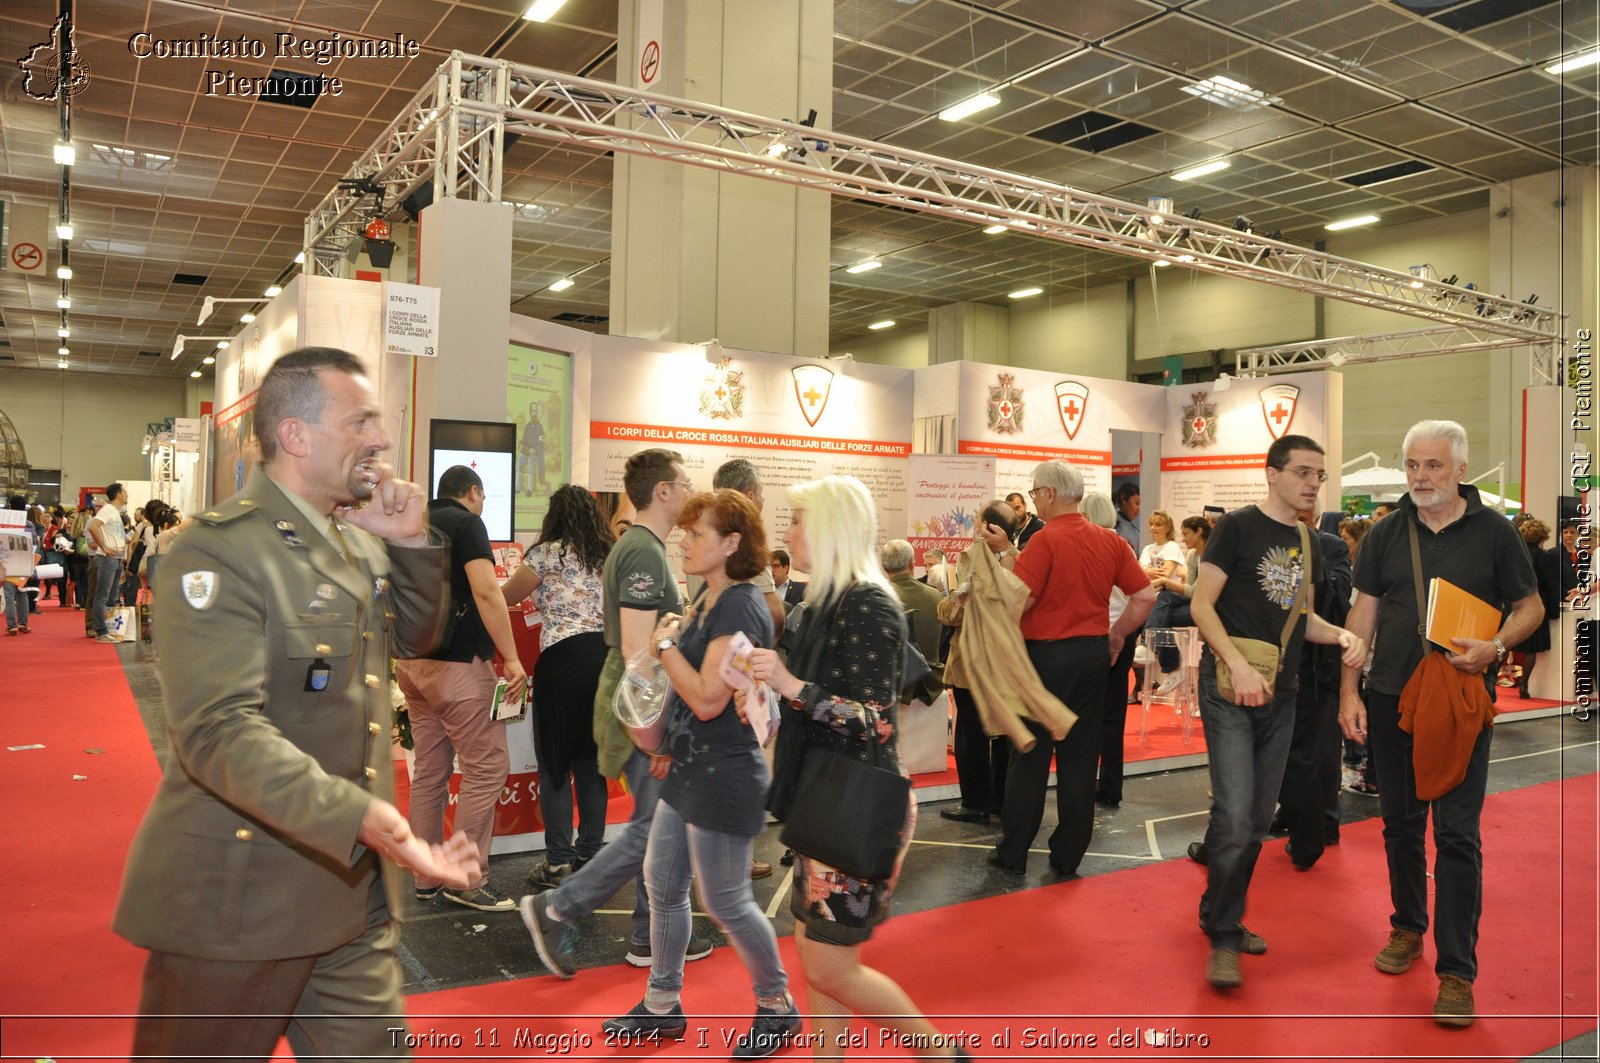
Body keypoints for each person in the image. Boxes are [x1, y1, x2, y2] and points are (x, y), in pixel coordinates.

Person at [112, 346, 478, 1058]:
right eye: (362, 420)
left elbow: (416, 637)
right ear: (296, 435)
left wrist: (409, 546)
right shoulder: (217, 552)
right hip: (239, 904)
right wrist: (366, 816)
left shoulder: (353, 539)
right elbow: (217, 730)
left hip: (350, 901)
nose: (380, 437)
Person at [746, 475, 969, 1062]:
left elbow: (875, 721)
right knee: (823, 954)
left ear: (829, 528)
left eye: (797, 520)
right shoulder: (825, 601)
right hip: (831, 799)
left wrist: (791, 685)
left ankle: (940, 1054)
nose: (787, 531)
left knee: (827, 962)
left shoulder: (866, 603)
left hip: (854, 803)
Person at [1338, 419, 1542, 1027]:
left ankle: (1456, 972)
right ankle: (1406, 927)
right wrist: (1349, 689)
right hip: (1392, 699)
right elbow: (1363, 614)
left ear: (1460, 468)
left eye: (1432, 466)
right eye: (1413, 466)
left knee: (1456, 838)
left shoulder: (1497, 535)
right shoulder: (1384, 532)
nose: (1421, 477)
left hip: (1460, 703)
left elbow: (1530, 606)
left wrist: (1496, 646)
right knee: (1399, 826)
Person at [602, 490, 798, 1057]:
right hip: (691, 769)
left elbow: (710, 698)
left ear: (732, 543)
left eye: (697, 533)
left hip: (725, 775)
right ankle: (662, 1005)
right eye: (685, 531)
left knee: (727, 901)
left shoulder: (739, 605)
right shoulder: (710, 598)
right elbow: (697, 700)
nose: (684, 541)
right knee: (663, 887)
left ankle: (776, 1004)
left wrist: (664, 645)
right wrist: (667, 741)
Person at [521, 449, 715, 976]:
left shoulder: (642, 546)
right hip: (641, 705)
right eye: (684, 480)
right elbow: (636, 652)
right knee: (652, 828)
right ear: (663, 491)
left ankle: (651, 935)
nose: (691, 486)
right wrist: (657, 737)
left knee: (661, 826)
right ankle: (558, 907)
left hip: (640, 702)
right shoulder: (642, 553)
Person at [1188, 434, 1364, 991]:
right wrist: (1236, 664)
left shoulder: (1312, 542)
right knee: (1239, 815)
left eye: (1320, 474)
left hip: (1281, 691)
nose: (1314, 482)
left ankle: (1217, 905)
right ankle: (1223, 933)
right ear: (1272, 473)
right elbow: (1200, 604)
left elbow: (1301, 618)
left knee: (1258, 818)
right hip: (1229, 688)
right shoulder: (1237, 528)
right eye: (1304, 472)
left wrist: (1339, 635)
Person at [976, 461, 1155, 876]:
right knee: (1079, 757)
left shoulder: (1044, 541)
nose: (1034, 499)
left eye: (1036, 492)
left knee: (1031, 756)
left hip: (1043, 658)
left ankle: (1014, 851)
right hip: (1093, 657)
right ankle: (1068, 854)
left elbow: (1021, 601)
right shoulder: (1111, 542)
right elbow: (1144, 597)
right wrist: (1116, 635)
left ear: (1051, 494)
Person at [395, 464, 528, 912]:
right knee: (488, 765)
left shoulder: (412, 523)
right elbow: (488, 593)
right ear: (472, 492)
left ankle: (427, 874)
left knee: (430, 770)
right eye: (485, 496)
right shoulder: (468, 524)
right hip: (457, 667)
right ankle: (467, 878)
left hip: (412, 664)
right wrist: (511, 659)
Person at [502, 485, 614, 890]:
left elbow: (503, 597)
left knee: (554, 765)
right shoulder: (608, 555)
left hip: (562, 662)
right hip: (603, 660)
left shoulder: (546, 553)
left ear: (555, 517)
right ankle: (590, 855)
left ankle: (557, 863)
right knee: (591, 764)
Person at [1273, 509, 1352, 870]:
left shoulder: (1330, 546)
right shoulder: (1272, 543)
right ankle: (1295, 816)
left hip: (1319, 665)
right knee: (1288, 750)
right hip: (1283, 661)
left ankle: (1325, 824)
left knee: (1318, 750)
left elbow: (1335, 601)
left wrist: (1306, 574)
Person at [938, 502, 1017, 824]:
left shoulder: (972, 557)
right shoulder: (1020, 557)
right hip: (1006, 661)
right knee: (1002, 735)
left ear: (987, 527)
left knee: (971, 734)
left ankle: (975, 802)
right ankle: (1000, 802)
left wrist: (953, 602)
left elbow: (955, 612)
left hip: (973, 660)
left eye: (978, 521)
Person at [1078, 492, 1141, 809]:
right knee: (1114, 715)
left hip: (1097, 635)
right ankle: (1111, 785)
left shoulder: (1093, 546)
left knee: (1088, 715)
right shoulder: (1123, 546)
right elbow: (1140, 594)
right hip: (1123, 632)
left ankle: (1085, 783)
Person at [1510, 516, 1552, 699]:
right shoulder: (1544, 557)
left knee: (1502, 644)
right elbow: (1550, 583)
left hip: (1513, 602)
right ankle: (1524, 685)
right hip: (1536, 604)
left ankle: (1490, 681)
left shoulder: (1516, 553)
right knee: (1531, 649)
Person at [87, 482, 129, 642]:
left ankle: (110, 629)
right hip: (107, 558)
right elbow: (93, 526)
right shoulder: (108, 510)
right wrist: (103, 547)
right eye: (125, 492)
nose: (127, 495)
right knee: (102, 595)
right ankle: (101, 631)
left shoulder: (115, 512)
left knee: (112, 596)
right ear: (118, 494)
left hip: (115, 558)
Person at [1114, 482, 1141, 553]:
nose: (1139, 509)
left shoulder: (1136, 532)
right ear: (1124, 499)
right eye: (1137, 503)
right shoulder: (1113, 526)